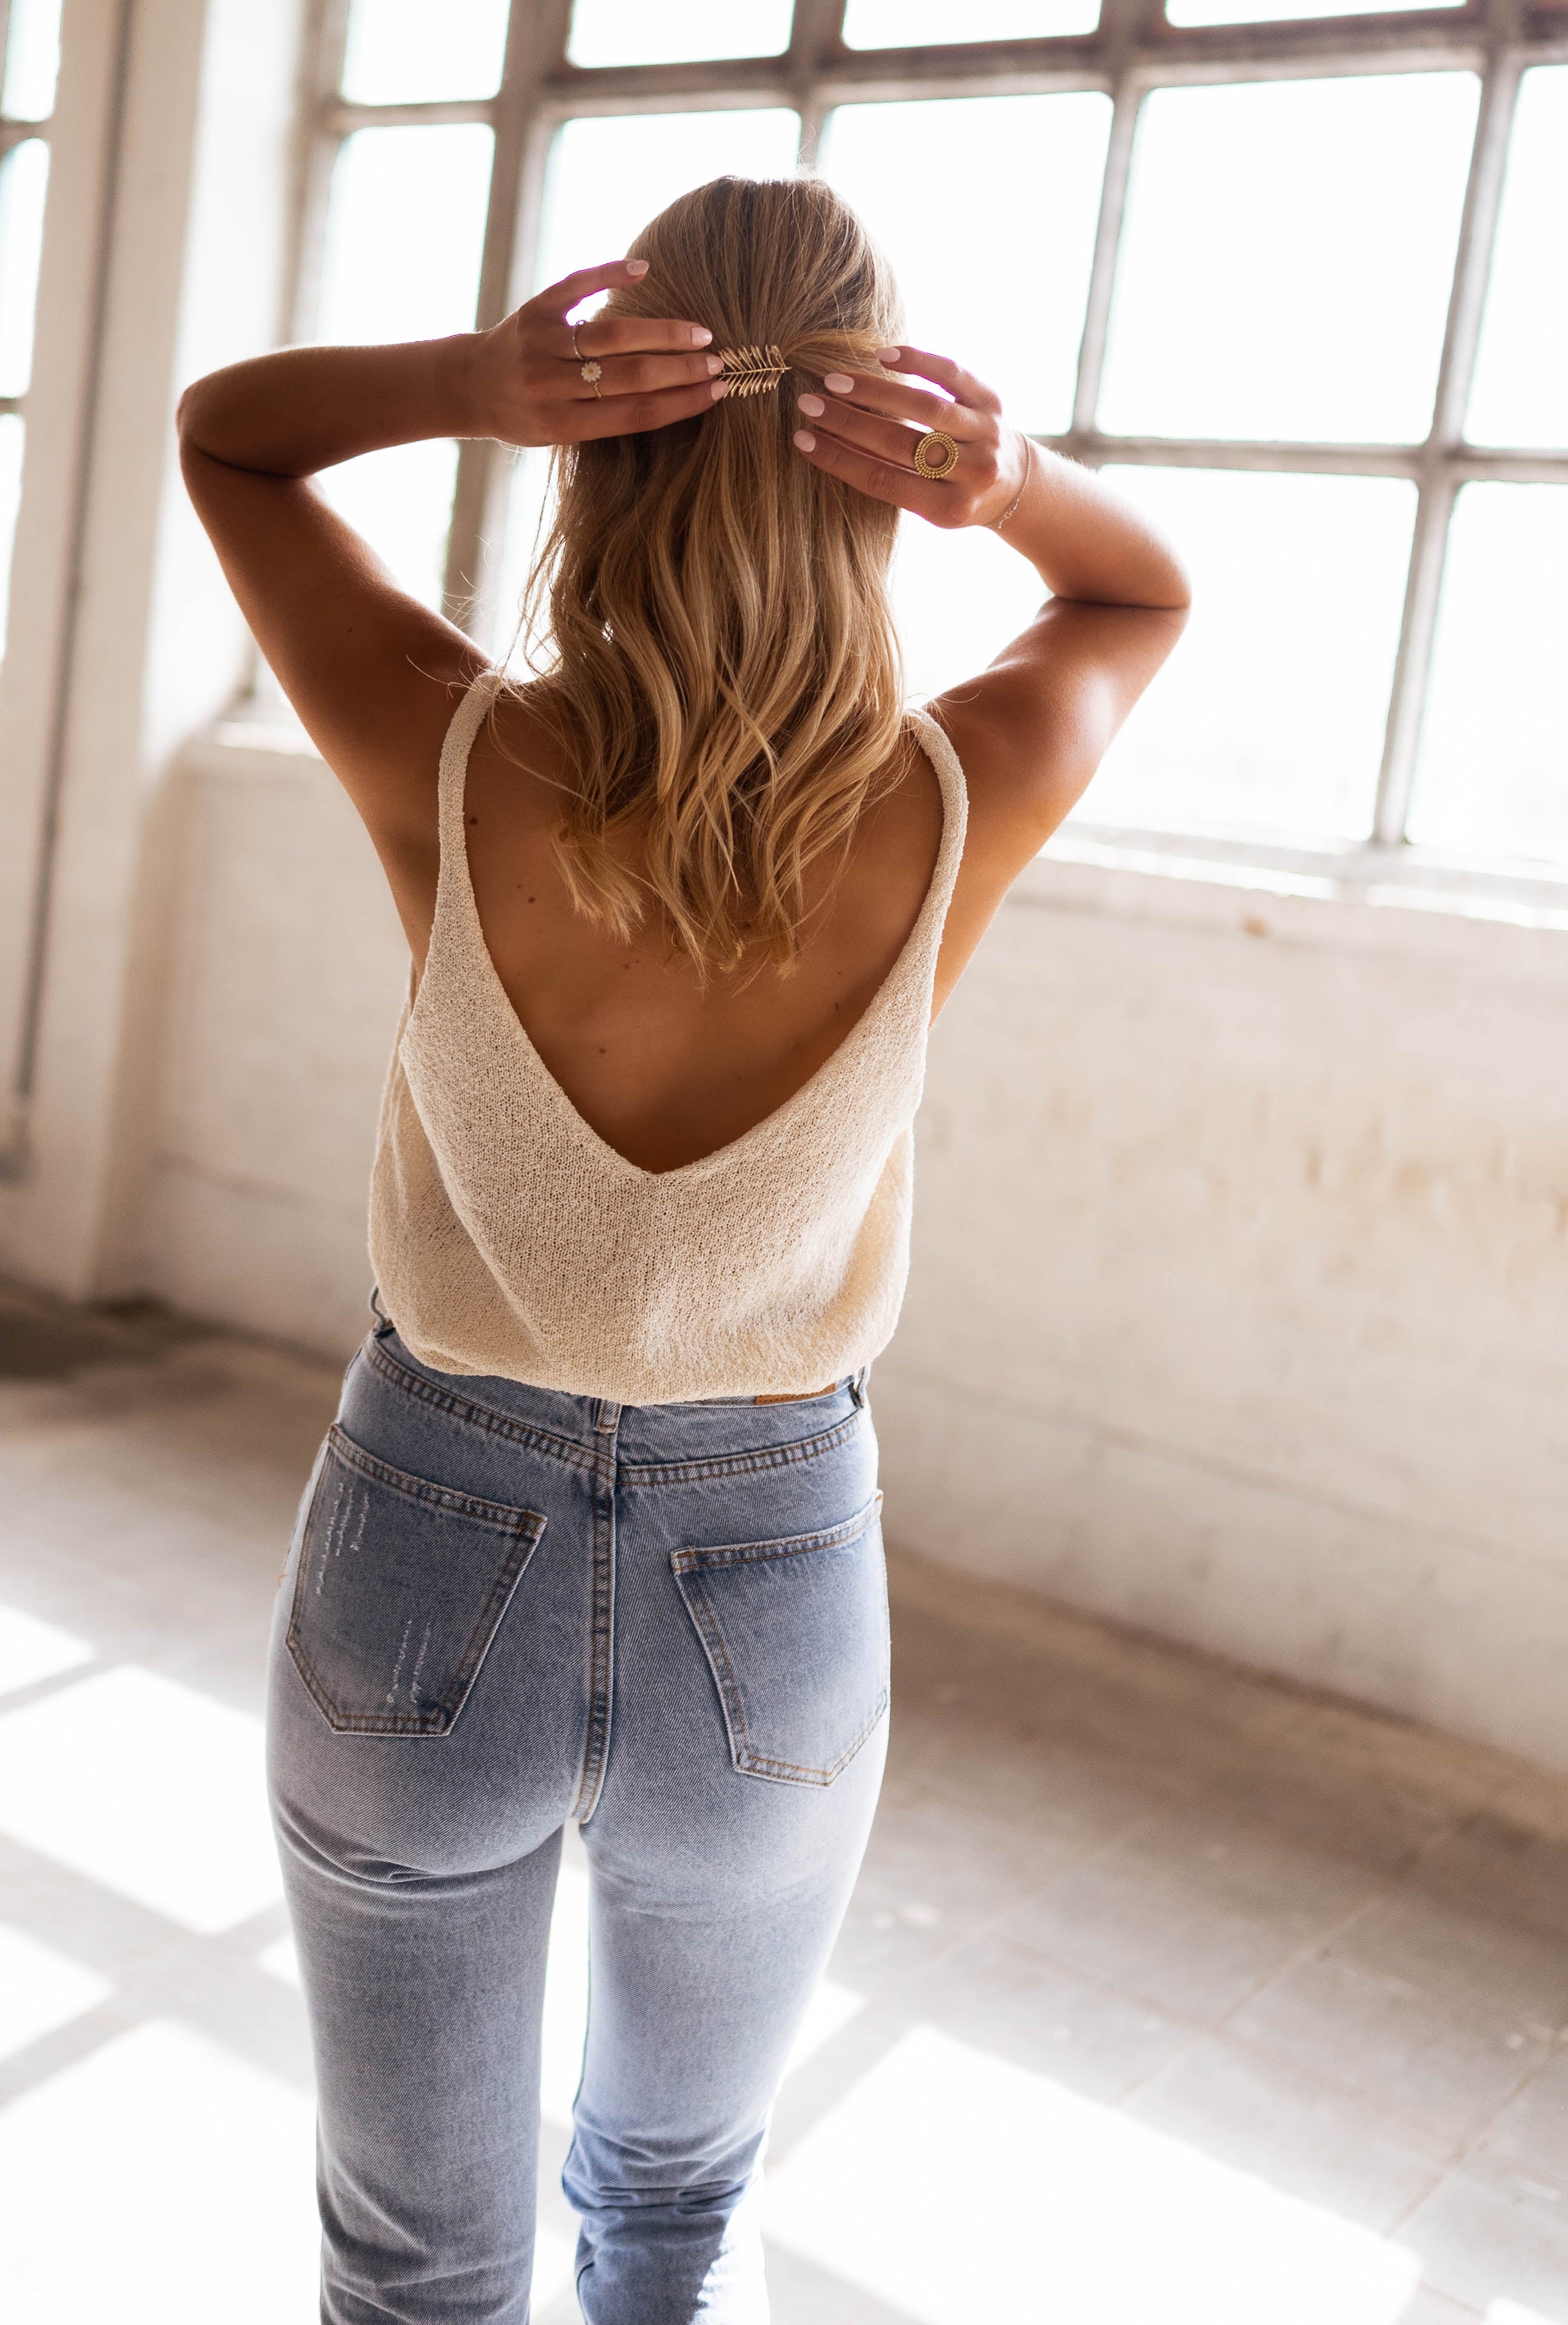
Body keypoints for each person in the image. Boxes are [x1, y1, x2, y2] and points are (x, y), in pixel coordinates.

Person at [177, 174, 1189, 2324]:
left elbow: (230, 436)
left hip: (427, 1540)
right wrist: (1012, 484)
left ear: (598, 441)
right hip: (776, 1578)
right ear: (880, 477)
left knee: (418, 2259)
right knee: (671, 2212)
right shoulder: (947, 802)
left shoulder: (452, 756)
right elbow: (1136, 599)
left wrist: (469, 380)